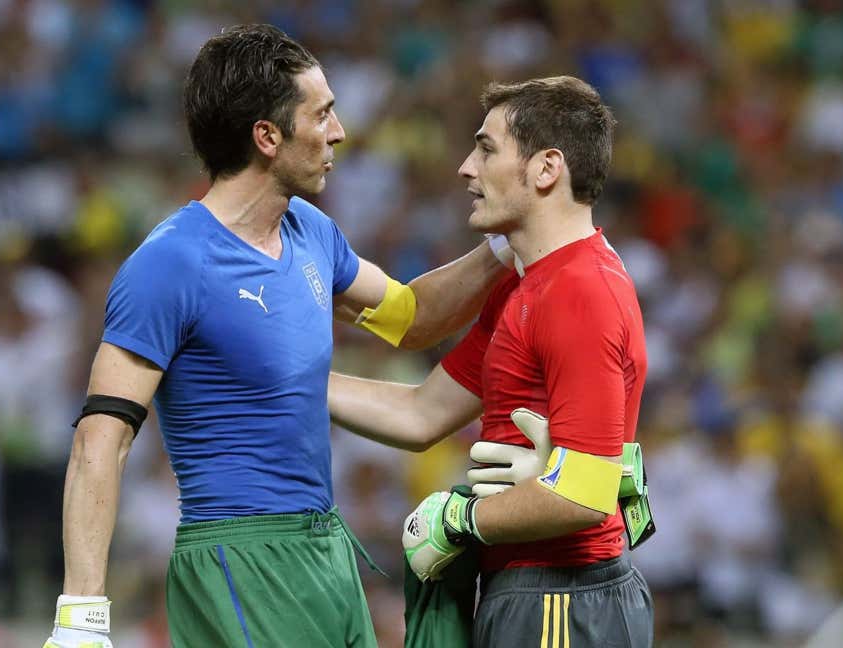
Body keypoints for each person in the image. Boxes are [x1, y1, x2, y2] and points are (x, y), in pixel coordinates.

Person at [42, 24, 512, 648]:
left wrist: (506, 246)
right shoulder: (172, 263)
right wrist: (82, 614)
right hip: (241, 558)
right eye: (322, 114)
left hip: (327, 549)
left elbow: (412, 316)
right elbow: (99, 443)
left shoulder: (311, 232)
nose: (338, 132)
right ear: (267, 137)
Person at [329, 76, 654, 647]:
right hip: (529, 589)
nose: (465, 167)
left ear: (547, 168)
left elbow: (585, 493)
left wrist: (461, 521)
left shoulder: (580, 290)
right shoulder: (524, 289)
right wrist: (285, 382)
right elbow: (421, 414)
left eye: (485, 148)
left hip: (564, 598)